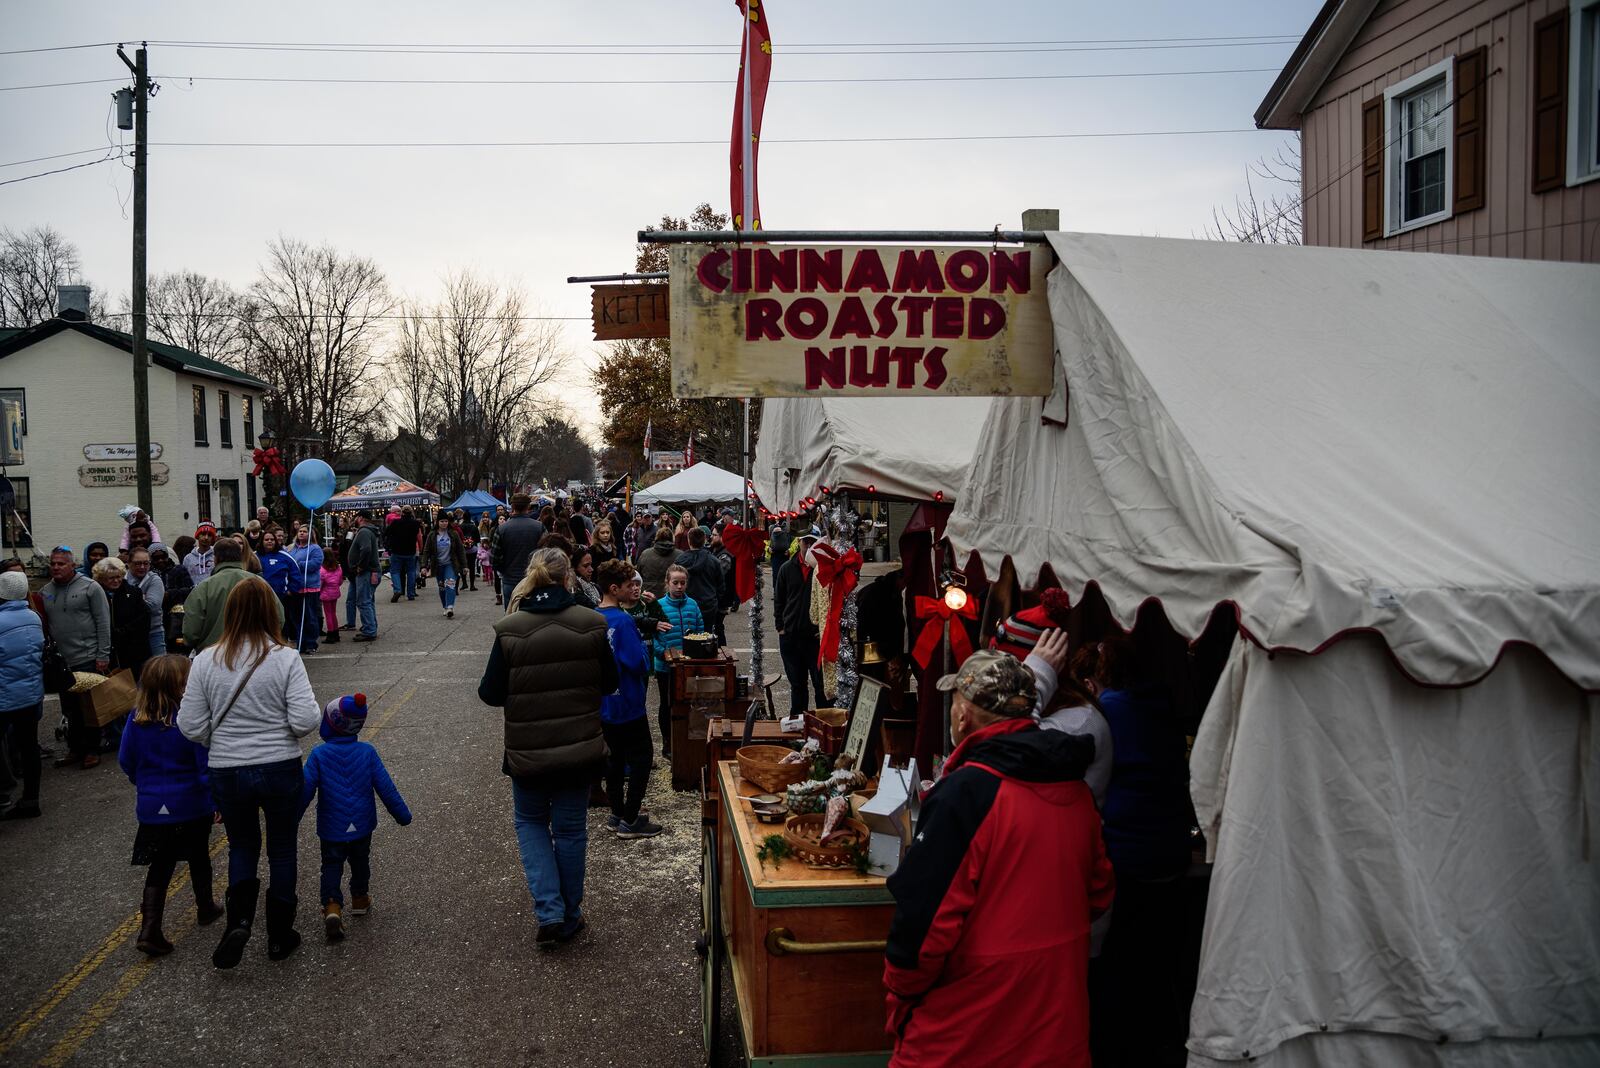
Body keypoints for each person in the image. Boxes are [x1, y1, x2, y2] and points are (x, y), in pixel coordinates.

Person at [883, 650, 1112, 1068]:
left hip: (969, 1033)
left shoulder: (967, 795)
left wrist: (900, 994)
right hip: (1056, 1028)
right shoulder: (1076, 791)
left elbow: (923, 929)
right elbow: (1098, 893)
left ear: (964, 715)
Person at [177, 577, 321, 969]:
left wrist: (219, 738)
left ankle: (239, 921)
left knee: (242, 845)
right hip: (278, 764)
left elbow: (189, 724)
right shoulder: (285, 658)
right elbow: (306, 718)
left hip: (227, 767)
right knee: (282, 846)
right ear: (270, 612)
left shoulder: (205, 661)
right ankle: (279, 933)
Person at [477, 548, 614, 945]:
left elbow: (490, 693)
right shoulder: (592, 624)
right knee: (570, 831)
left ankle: (551, 912)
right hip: (578, 749)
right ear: (568, 578)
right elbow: (609, 682)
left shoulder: (509, 629)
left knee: (532, 824)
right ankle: (568, 913)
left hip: (528, 750)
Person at [1079, 635, 1195, 1068]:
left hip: (1126, 857)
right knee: (1157, 964)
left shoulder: (1107, 715)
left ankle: (1120, 1051)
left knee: (1116, 969)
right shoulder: (1159, 709)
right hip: (1171, 854)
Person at [118, 655, 224, 956]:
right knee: (198, 856)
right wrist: (217, 800)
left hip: (152, 807)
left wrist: (143, 783)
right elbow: (204, 767)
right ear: (181, 686)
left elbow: (126, 760)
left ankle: (150, 927)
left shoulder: (136, 718)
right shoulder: (187, 721)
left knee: (160, 865)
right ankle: (205, 905)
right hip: (190, 803)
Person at [301, 693, 412, 941]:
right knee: (360, 860)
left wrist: (290, 818)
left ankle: (331, 906)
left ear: (330, 724)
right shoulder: (366, 752)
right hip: (362, 824)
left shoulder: (319, 755)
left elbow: (305, 790)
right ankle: (360, 898)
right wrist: (402, 815)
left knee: (331, 864)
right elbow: (386, 787)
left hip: (332, 825)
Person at [595, 560, 661, 839]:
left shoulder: (594, 616)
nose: (632, 589)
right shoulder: (623, 621)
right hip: (628, 699)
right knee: (642, 756)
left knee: (614, 756)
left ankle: (617, 811)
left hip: (604, 700)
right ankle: (632, 817)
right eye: (627, 585)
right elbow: (637, 661)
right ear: (614, 588)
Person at [40, 547, 111, 769]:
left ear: (73, 565)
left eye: (61, 563)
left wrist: (103, 655)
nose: (56, 567)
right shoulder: (46, 591)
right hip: (62, 662)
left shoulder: (90, 587)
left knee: (88, 708)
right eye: (53, 563)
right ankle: (75, 748)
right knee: (69, 708)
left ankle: (92, 749)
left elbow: (103, 622)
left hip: (87, 657)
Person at [183, 539, 283, 654]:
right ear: (240, 556)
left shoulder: (203, 588)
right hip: (256, 652)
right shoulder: (260, 583)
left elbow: (191, 632)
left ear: (215, 559)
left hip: (214, 654)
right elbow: (279, 617)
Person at [0, 571, 45, 820]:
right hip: (30, 693)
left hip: (4, 695)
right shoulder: (33, 617)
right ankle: (31, 799)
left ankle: (3, 795)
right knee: (29, 748)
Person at [652, 565, 703, 760]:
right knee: (667, 704)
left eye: (683, 583)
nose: (679, 587)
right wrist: (663, 654)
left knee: (687, 702)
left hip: (688, 665)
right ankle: (667, 742)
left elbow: (700, 629)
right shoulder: (658, 606)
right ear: (667, 583)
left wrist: (696, 652)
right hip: (665, 667)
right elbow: (654, 636)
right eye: (675, 583)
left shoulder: (693, 605)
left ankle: (686, 738)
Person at [774, 534, 825, 717]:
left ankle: (823, 722)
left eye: (813, 542)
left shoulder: (822, 569)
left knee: (820, 685)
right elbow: (779, 599)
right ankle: (798, 723)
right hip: (791, 636)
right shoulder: (787, 569)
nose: (809, 545)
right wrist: (780, 626)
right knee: (797, 685)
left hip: (814, 637)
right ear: (800, 542)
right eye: (806, 541)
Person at [95, 557, 152, 680]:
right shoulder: (96, 595)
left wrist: (122, 632)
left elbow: (144, 618)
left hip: (133, 651)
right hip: (109, 651)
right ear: (101, 579)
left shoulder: (133, 593)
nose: (116, 581)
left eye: (119, 576)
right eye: (111, 578)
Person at [490, 494, 547, 609]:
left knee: (511, 616)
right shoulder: (539, 527)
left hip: (510, 580)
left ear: (512, 507)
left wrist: (504, 570)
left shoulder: (501, 529)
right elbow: (547, 554)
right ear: (528, 507)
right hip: (534, 580)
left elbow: (494, 558)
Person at [285, 526, 324, 654]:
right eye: (300, 531)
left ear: (310, 534)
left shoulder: (315, 548)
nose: (301, 533)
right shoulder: (292, 548)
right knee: (296, 617)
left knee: (309, 617)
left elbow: (314, 565)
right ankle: (300, 642)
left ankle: (311, 643)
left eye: (304, 531)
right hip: (295, 588)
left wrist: (296, 564)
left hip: (309, 588)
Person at [345, 513, 381, 643]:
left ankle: (370, 631)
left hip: (367, 572)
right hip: (370, 571)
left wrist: (361, 566)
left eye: (356, 517)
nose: (354, 519)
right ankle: (371, 626)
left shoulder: (364, 532)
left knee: (364, 601)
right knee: (368, 601)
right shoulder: (367, 531)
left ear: (360, 518)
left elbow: (366, 549)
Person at [127, 548, 167, 661]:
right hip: (130, 635)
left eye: (146, 563)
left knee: (159, 669)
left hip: (153, 633)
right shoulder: (122, 580)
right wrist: (142, 597)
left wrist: (131, 598)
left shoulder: (155, 580)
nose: (142, 567)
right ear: (129, 564)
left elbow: (152, 607)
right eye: (137, 563)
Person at [429, 514, 468, 619]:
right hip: (438, 565)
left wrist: (464, 566)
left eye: (446, 521)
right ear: (437, 522)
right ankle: (445, 607)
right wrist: (424, 566)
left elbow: (460, 550)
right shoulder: (432, 535)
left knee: (450, 584)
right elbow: (426, 550)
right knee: (442, 587)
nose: (444, 523)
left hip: (450, 564)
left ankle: (450, 607)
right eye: (442, 521)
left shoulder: (453, 534)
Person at [384, 506, 422, 603]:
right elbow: (419, 537)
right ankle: (411, 594)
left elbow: (386, 533)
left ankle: (397, 590)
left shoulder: (396, 523)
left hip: (397, 551)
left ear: (401, 513)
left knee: (395, 571)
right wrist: (421, 549)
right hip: (411, 551)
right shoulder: (415, 524)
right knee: (411, 572)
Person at [636, 526, 678, 599]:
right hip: (672, 596)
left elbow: (639, 574)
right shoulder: (679, 555)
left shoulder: (645, 554)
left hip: (648, 595)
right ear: (672, 538)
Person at [257, 529, 294, 610]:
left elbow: (295, 572)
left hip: (281, 596)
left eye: (272, 539)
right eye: (267, 539)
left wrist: (291, 590)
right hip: (260, 596)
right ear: (262, 541)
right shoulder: (255, 556)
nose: (270, 541)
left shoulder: (285, 556)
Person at [319, 554, 344, 645]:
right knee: (333, 613)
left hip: (326, 594)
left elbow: (320, 584)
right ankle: (336, 633)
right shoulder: (338, 568)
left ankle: (330, 635)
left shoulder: (322, 570)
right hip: (335, 592)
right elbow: (340, 581)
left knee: (328, 614)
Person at [571, 546, 600, 610]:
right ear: (574, 568)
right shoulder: (574, 592)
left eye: (591, 565)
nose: (591, 569)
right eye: (586, 566)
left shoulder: (595, 587)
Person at [477, 518, 497, 605]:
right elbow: (479, 555)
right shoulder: (481, 548)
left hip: (490, 563)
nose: (485, 545)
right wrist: (481, 557)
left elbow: (491, 554)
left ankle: (491, 580)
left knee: (490, 572)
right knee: (486, 571)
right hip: (484, 563)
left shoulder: (489, 549)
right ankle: (488, 579)